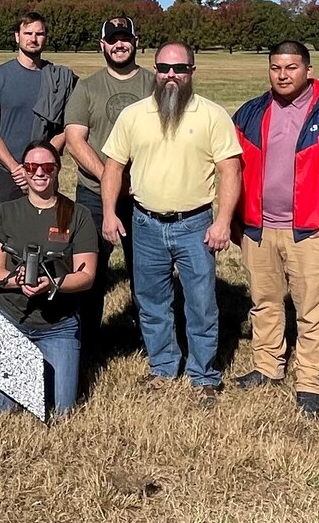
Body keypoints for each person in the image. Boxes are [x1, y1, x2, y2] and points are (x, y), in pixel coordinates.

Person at [101, 41, 241, 408]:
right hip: (144, 222)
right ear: (155, 70)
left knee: (201, 303)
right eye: (164, 68)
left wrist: (223, 221)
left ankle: (204, 374)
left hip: (195, 224)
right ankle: (163, 367)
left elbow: (230, 169)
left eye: (179, 69)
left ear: (192, 72)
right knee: (151, 301)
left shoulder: (211, 115)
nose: (170, 76)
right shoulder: (133, 115)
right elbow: (114, 167)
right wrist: (110, 213)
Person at [232, 40, 319, 419]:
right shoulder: (251, 113)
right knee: (265, 303)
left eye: (291, 67)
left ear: (308, 70)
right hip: (259, 229)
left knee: (313, 311)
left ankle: (311, 381)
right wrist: (238, 219)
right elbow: (231, 168)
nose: (283, 74)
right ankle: (267, 365)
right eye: (276, 67)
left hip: (312, 232)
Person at [0, 141, 97, 418]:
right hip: (12, 319)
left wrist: (54, 284)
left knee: (62, 410)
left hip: (58, 325)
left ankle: (42, 372)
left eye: (47, 167)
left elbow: (87, 276)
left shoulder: (75, 214)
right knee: (3, 409)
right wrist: (16, 280)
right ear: (24, 170)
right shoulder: (6, 212)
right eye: (32, 167)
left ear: (57, 170)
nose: (39, 173)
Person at [64, 16, 155, 351]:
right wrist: (109, 178)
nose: (120, 45)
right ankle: (86, 343)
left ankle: (152, 341)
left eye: (125, 38)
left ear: (136, 41)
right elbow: (75, 139)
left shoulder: (154, 83)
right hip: (92, 193)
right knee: (89, 270)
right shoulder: (86, 88)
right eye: (113, 39)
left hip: (145, 195)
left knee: (147, 270)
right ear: (102, 44)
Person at [0, 12, 77, 224]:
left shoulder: (59, 79)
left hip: (45, 172)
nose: (33, 38)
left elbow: (69, 126)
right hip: (7, 173)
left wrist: (43, 160)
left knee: (47, 237)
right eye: (28, 33)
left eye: (39, 34)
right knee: (2, 241)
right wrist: (17, 169)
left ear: (46, 37)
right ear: (17, 36)